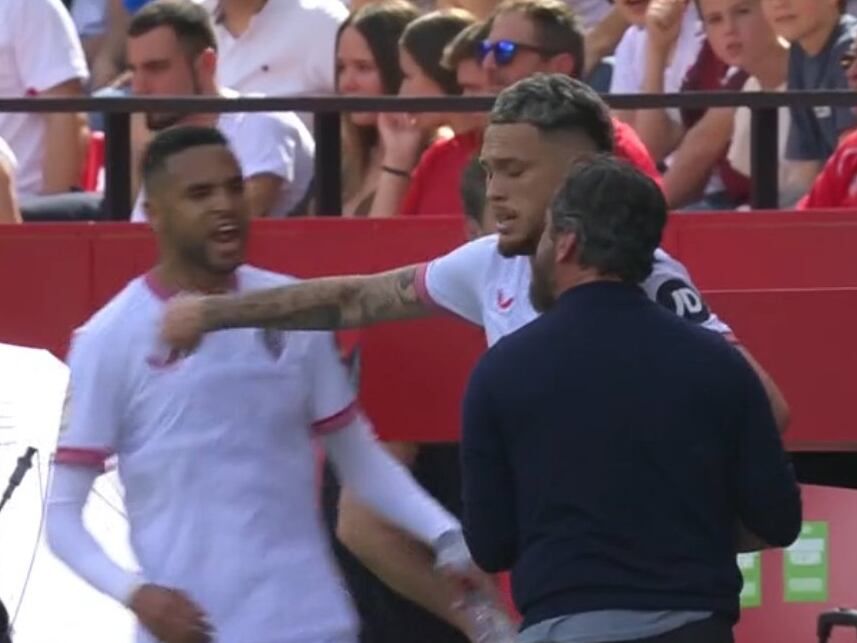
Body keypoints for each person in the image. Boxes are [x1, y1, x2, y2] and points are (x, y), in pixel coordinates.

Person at [160, 73, 790, 443]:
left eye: (514, 171)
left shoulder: (648, 274)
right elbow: (355, 297)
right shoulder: (487, 263)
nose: (494, 192)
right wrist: (219, 312)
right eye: (489, 171)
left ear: (580, 171)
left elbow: (768, 407)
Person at [45, 125, 480, 643]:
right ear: (155, 213)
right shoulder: (108, 339)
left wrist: (444, 533)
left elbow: (358, 457)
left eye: (233, 187)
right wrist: (137, 593)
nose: (225, 205)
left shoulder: (292, 310)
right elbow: (62, 516)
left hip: (313, 627)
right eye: (200, 194)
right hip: (196, 632)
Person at [460, 155, 803, 643]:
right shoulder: (719, 363)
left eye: (547, 234)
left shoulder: (499, 372)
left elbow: (491, 547)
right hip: (695, 626)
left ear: (567, 243)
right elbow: (779, 520)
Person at [127, 0, 315, 221]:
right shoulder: (167, 149)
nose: (139, 87)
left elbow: (227, 227)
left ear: (206, 63)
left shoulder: (259, 121)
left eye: (156, 68)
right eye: (133, 70)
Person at [480, 0, 663, 187]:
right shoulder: (476, 148)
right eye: (485, 50)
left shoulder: (608, 151)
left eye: (504, 51)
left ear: (559, 67)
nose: (487, 65)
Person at [335, 1, 422, 216]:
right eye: (341, 68)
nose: (347, 82)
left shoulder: (432, 159)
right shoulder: (341, 157)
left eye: (363, 67)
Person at [761, 0, 857, 195]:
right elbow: (805, 167)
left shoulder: (851, 51)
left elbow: (850, 159)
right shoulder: (798, 54)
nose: (779, 3)